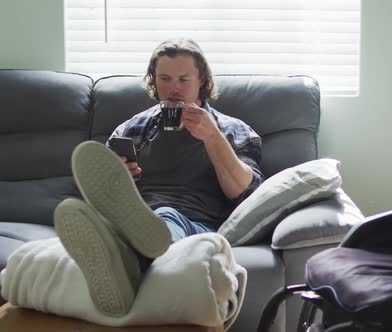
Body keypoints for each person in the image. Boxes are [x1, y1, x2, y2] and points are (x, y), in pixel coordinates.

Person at [53, 38, 264, 317]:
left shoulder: (233, 131)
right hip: (136, 214)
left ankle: (124, 260)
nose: (173, 88)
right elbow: (102, 188)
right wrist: (119, 178)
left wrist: (212, 136)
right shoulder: (132, 128)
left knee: (165, 216)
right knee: (124, 216)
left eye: (183, 79)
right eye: (164, 78)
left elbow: (243, 191)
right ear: (154, 80)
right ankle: (122, 248)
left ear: (202, 80)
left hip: (194, 223)